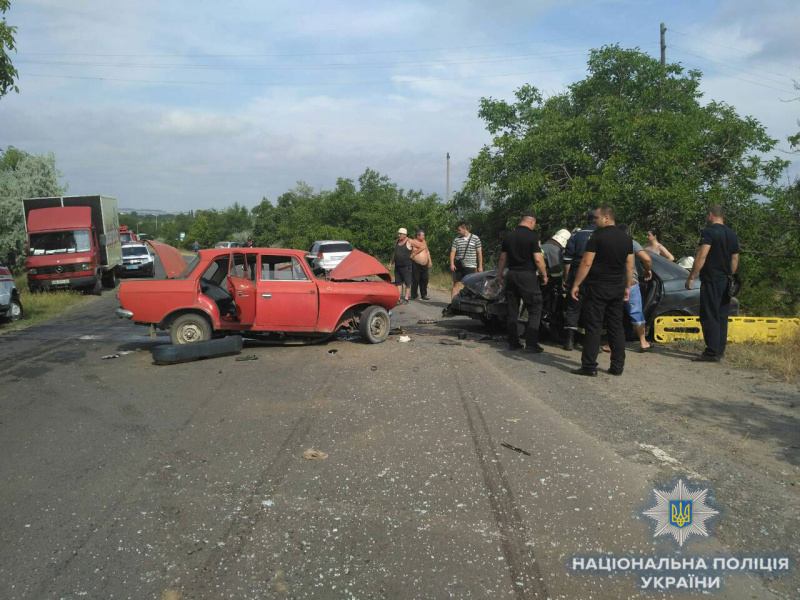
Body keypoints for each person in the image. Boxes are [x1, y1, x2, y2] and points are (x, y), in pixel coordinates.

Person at [569, 205, 634, 377]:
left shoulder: (596, 236)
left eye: (597, 218)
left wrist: (576, 284)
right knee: (616, 326)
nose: (594, 221)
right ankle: (617, 366)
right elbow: (629, 266)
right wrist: (627, 287)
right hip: (617, 287)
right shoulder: (626, 239)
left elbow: (586, 262)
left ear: (606, 218)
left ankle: (589, 366)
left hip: (597, 287)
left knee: (594, 326)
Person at [685, 205, 739, 362]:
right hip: (726, 279)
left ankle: (711, 352)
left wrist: (691, 277)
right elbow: (735, 258)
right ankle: (719, 350)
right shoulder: (731, 234)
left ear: (710, 215)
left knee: (709, 314)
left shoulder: (709, 232)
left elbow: (702, 255)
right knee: (722, 315)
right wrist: (732, 276)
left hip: (711, 278)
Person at [495, 212, 549, 353]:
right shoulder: (533, 236)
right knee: (535, 307)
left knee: (512, 310)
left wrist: (499, 274)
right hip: (527, 276)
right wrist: (544, 274)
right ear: (532, 222)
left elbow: (502, 258)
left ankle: (513, 343)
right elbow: (538, 259)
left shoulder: (509, 236)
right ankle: (531, 343)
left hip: (511, 275)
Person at [601, 225, 652, 353]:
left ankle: (611, 344)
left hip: (613, 283)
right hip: (631, 284)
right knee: (636, 313)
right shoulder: (632, 243)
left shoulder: (607, 244)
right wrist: (648, 270)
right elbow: (647, 259)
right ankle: (643, 342)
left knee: (614, 315)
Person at [562, 211, 597, 350]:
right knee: (594, 308)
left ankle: (569, 341)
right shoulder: (601, 235)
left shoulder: (576, 235)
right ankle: (591, 342)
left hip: (577, 274)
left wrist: (567, 277)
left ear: (587, 220)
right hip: (596, 275)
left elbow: (567, 259)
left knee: (573, 307)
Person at [540, 229, 571, 340]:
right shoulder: (554, 250)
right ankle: (553, 334)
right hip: (547, 283)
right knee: (552, 308)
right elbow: (556, 271)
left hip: (537, 281)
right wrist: (563, 283)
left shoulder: (544, 246)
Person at [449, 222, 483, 298]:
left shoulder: (475, 238)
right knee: (456, 284)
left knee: (471, 286)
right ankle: (453, 303)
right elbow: (453, 252)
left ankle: (468, 303)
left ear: (464, 229)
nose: (458, 231)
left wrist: (480, 266)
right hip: (459, 264)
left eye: (459, 230)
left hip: (471, 266)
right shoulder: (456, 239)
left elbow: (479, 253)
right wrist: (452, 264)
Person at [389, 228, 414, 305]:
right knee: (398, 283)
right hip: (397, 266)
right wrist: (390, 263)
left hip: (407, 266)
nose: (398, 235)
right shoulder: (397, 241)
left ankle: (406, 299)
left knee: (407, 283)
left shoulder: (409, 241)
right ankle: (398, 298)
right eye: (398, 233)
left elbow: (421, 247)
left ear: (404, 234)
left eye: (400, 234)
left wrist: (414, 254)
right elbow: (394, 253)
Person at [410, 229, 433, 300]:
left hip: (425, 265)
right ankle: (414, 295)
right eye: (422, 235)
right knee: (415, 280)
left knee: (425, 279)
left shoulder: (424, 242)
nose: (424, 237)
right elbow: (409, 253)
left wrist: (430, 261)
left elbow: (427, 252)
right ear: (418, 236)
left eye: (424, 235)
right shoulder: (412, 242)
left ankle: (424, 295)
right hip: (416, 264)